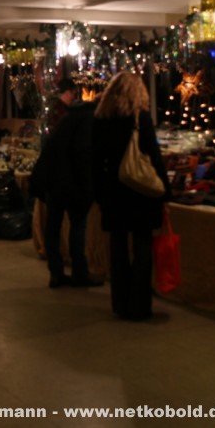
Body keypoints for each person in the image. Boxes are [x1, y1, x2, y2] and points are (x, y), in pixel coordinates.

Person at [92, 72, 170, 321]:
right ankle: (140, 304)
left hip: (113, 191)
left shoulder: (101, 119)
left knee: (117, 247)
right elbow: (154, 156)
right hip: (139, 191)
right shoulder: (140, 118)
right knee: (142, 245)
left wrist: (99, 193)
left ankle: (120, 303)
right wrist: (165, 189)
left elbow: (94, 160)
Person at [31, 91, 101, 288]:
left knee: (53, 226)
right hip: (71, 182)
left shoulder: (70, 116)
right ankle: (80, 273)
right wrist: (88, 185)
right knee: (77, 226)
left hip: (53, 179)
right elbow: (83, 153)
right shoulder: (88, 120)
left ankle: (56, 273)